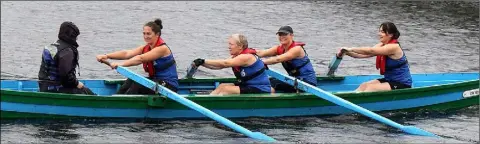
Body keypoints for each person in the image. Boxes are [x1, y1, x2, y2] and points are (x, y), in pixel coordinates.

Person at [96, 18, 179, 94]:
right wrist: (106, 56)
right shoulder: (146, 47)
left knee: (137, 85)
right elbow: (127, 54)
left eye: (149, 34)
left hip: (169, 86)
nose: (146, 36)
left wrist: (120, 64)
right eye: (144, 34)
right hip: (157, 81)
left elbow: (140, 58)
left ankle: (123, 104)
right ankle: (116, 100)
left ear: (157, 34)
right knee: (131, 80)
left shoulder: (162, 49)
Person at [341, 22, 412, 92]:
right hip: (389, 80)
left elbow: (371, 51)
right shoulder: (382, 44)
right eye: (379, 31)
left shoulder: (394, 47)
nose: (379, 34)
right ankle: (347, 99)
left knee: (371, 88)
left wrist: (351, 48)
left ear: (390, 34)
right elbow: (364, 55)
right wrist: (346, 52)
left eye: (382, 32)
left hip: (402, 83)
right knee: (364, 85)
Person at [192, 34, 272, 95]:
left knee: (226, 89)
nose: (229, 47)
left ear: (240, 46)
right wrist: (202, 63)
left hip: (260, 88)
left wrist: (203, 60)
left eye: (231, 44)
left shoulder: (246, 57)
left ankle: (211, 105)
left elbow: (225, 63)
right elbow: (219, 66)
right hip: (248, 85)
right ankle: (208, 101)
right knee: (222, 86)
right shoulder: (236, 57)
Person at [38, 21, 96, 95]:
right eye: (76, 36)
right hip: (58, 89)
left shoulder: (52, 46)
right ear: (71, 35)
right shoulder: (66, 51)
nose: (76, 39)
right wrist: (77, 84)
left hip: (44, 87)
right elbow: (66, 77)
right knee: (88, 92)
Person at [256, 26, 317, 93]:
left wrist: (258, 63)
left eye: (285, 34)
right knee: (267, 80)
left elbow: (278, 59)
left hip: (307, 83)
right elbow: (261, 53)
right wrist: (247, 53)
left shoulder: (297, 49)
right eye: (280, 34)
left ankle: (271, 101)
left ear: (291, 35)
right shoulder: (279, 48)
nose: (282, 36)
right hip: (295, 80)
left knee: (272, 84)